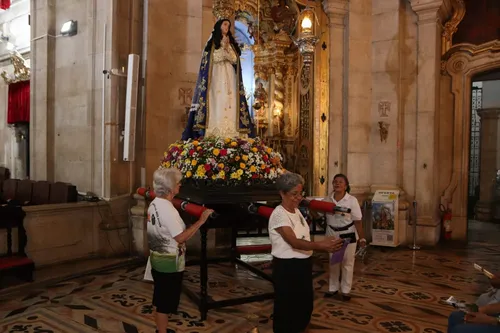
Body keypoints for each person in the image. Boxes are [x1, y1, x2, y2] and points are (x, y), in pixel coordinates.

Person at [269, 172, 344, 333]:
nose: (298, 198)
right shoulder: (279, 214)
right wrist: (321, 246)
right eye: (293, 194)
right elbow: (293, 241)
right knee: (287, 308)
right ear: (282, 193)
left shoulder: (296, 211)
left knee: (304, 305)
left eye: (300, 193)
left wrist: (327, 242)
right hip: (287, 267)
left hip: (302, 264)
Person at [146, 168, 214, 333]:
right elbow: (180, 237)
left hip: (157, 258)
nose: (180, 185)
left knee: (160, 297)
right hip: (169, 263)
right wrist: (201, 220)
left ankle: (160, 329)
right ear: (170, 188)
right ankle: (161, 331)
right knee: (164, 302)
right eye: (178, 183)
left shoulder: (154, 203)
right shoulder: (168, 210)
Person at [182, 19, 255, 140]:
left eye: (229, 25)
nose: (227, 27)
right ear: (219, 26)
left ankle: (232, 133)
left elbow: (234, 59)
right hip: (216, 75)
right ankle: (214, 131)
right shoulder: (212, 43)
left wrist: (227, 48)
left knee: (230, 99)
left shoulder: (230, 44)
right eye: (225, 24)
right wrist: (224, 49)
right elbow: (213, 58)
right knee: (217, 98)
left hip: (230, 75)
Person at [323, 174, 366, 301]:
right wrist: (311, 207)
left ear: (346, 186)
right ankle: (333, 288)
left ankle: (346, 290)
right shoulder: (327, 199)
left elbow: (358, 220)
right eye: (335, 182)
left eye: (340, 182)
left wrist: (362, 239)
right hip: (332, 233)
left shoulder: (352, 200)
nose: (337, 184)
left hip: (348, 233)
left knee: (347, 262)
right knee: (333, 261)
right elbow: (318, 214)